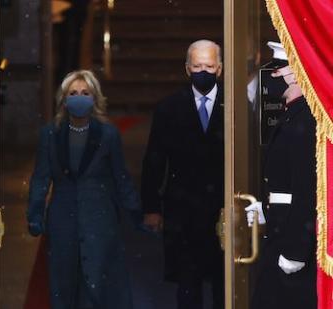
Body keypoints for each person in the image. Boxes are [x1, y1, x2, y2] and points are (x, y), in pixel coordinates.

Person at [27, 70, 140, 309]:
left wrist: (138, 214)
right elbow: (41, 178)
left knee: (98, 285)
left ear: (95, 98)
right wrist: (35, 215)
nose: (79, 97)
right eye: (73, 93)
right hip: (62, 220)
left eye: (85, 93)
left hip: (99, 219)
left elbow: (121, 177)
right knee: (64, 285)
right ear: (64, 99)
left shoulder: (108, 134)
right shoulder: (50, 134)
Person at [141, 39, 224, 309]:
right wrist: (151, 207)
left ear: (220, 68)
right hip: (183, 209)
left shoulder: (235, 106)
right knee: (188, 287)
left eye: (209, 66)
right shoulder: (169, 107)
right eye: (197, 65)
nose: (203, 71)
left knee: (226, 284)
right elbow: (154, 159)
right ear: (187, 69)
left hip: (223, 210)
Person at [245, 42, 317, 309]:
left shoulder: (306, 120)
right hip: (281, 228)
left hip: (292, 239)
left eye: (277, 71)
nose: (272, 76)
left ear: (296, 74)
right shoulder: (294, 114)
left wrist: (295, 251)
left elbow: (307, 189)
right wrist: (266, 207)